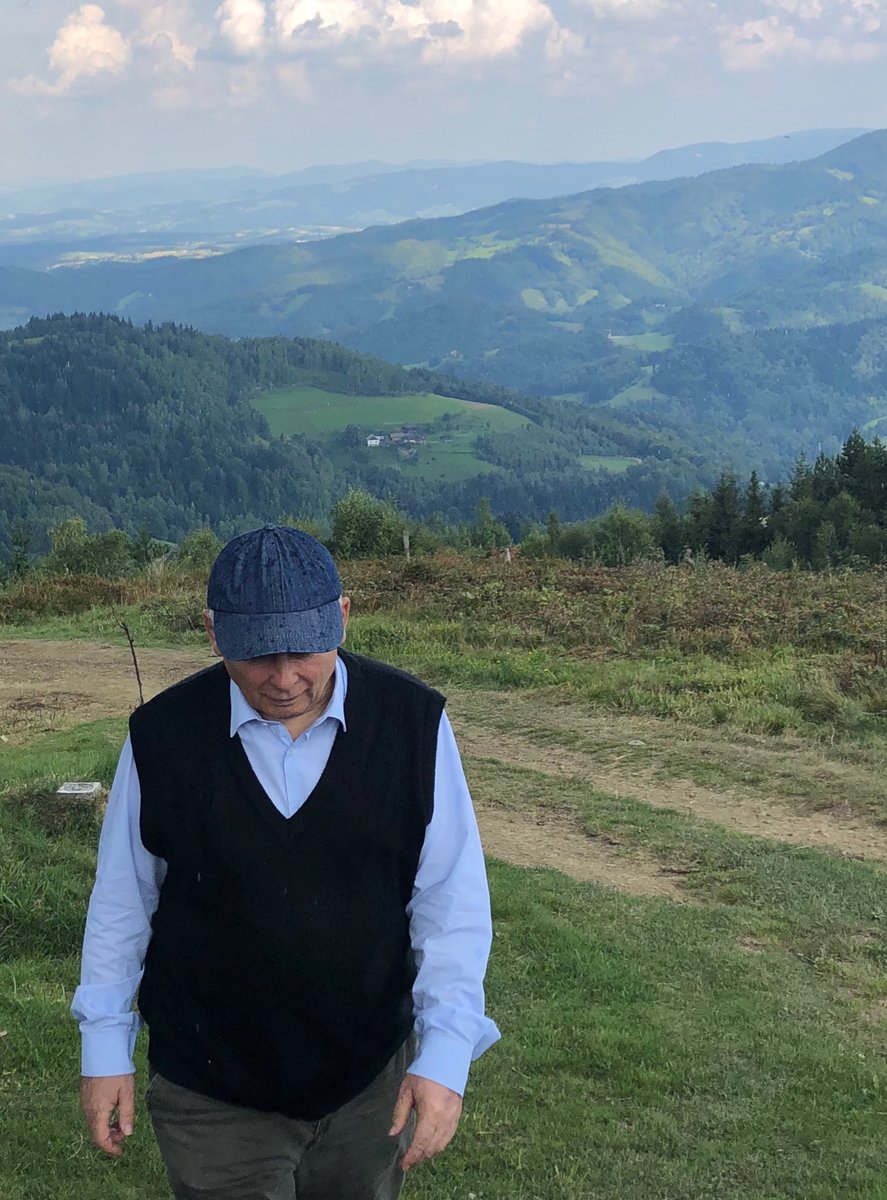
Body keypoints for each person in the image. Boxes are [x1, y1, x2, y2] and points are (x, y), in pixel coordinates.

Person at [72, 524, 499, 1200]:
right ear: (213, 633)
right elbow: (124, 899)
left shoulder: (412, 723)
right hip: (210, 1086)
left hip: (368, 1086)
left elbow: (449, 899)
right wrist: (104, 1047)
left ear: (343, 618)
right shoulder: (163, 736)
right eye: (255, 654)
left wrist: (445, 1055)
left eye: (304, 650)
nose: (283, 677)